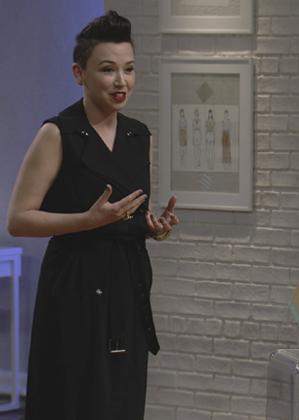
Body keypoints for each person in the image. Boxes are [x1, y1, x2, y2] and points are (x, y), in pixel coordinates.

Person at [6, 11, 179, 420]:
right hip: (75, 286)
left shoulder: (139, 135)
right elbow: (18, 219)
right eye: (107, 69)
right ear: (78, 74)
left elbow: (125, 214)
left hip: (128, 285)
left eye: (129, 69)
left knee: (121, 400)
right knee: (76, 400)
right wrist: (86, 220)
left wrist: (152, 228)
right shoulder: (57, 133)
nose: (121, 82)